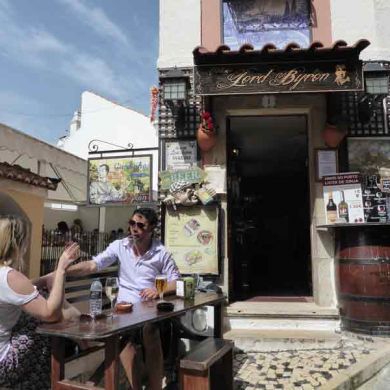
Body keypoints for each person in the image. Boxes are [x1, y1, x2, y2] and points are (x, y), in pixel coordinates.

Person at [66, 207, 180, 390]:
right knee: (125, 338)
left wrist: (158, 290)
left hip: (148, 308)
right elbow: (94, 264)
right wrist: (64, 269)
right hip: (123, 308)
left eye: (140, 225)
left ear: (151, 229)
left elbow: (176, 281)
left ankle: (155, 385)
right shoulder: (120, 246)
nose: (134, 228)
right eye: (132, 223)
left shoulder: (161, 252)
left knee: (150, 331)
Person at [0, 215, 80, 390]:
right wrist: (61, 269)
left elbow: (17, 290)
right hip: (4, 365)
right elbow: (51, 313)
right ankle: (43, 383)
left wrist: (43, 280)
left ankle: (79, 341)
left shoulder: (6, 277)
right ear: (17, 245)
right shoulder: (9, 276)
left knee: (39, 298)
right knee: (44, 323)